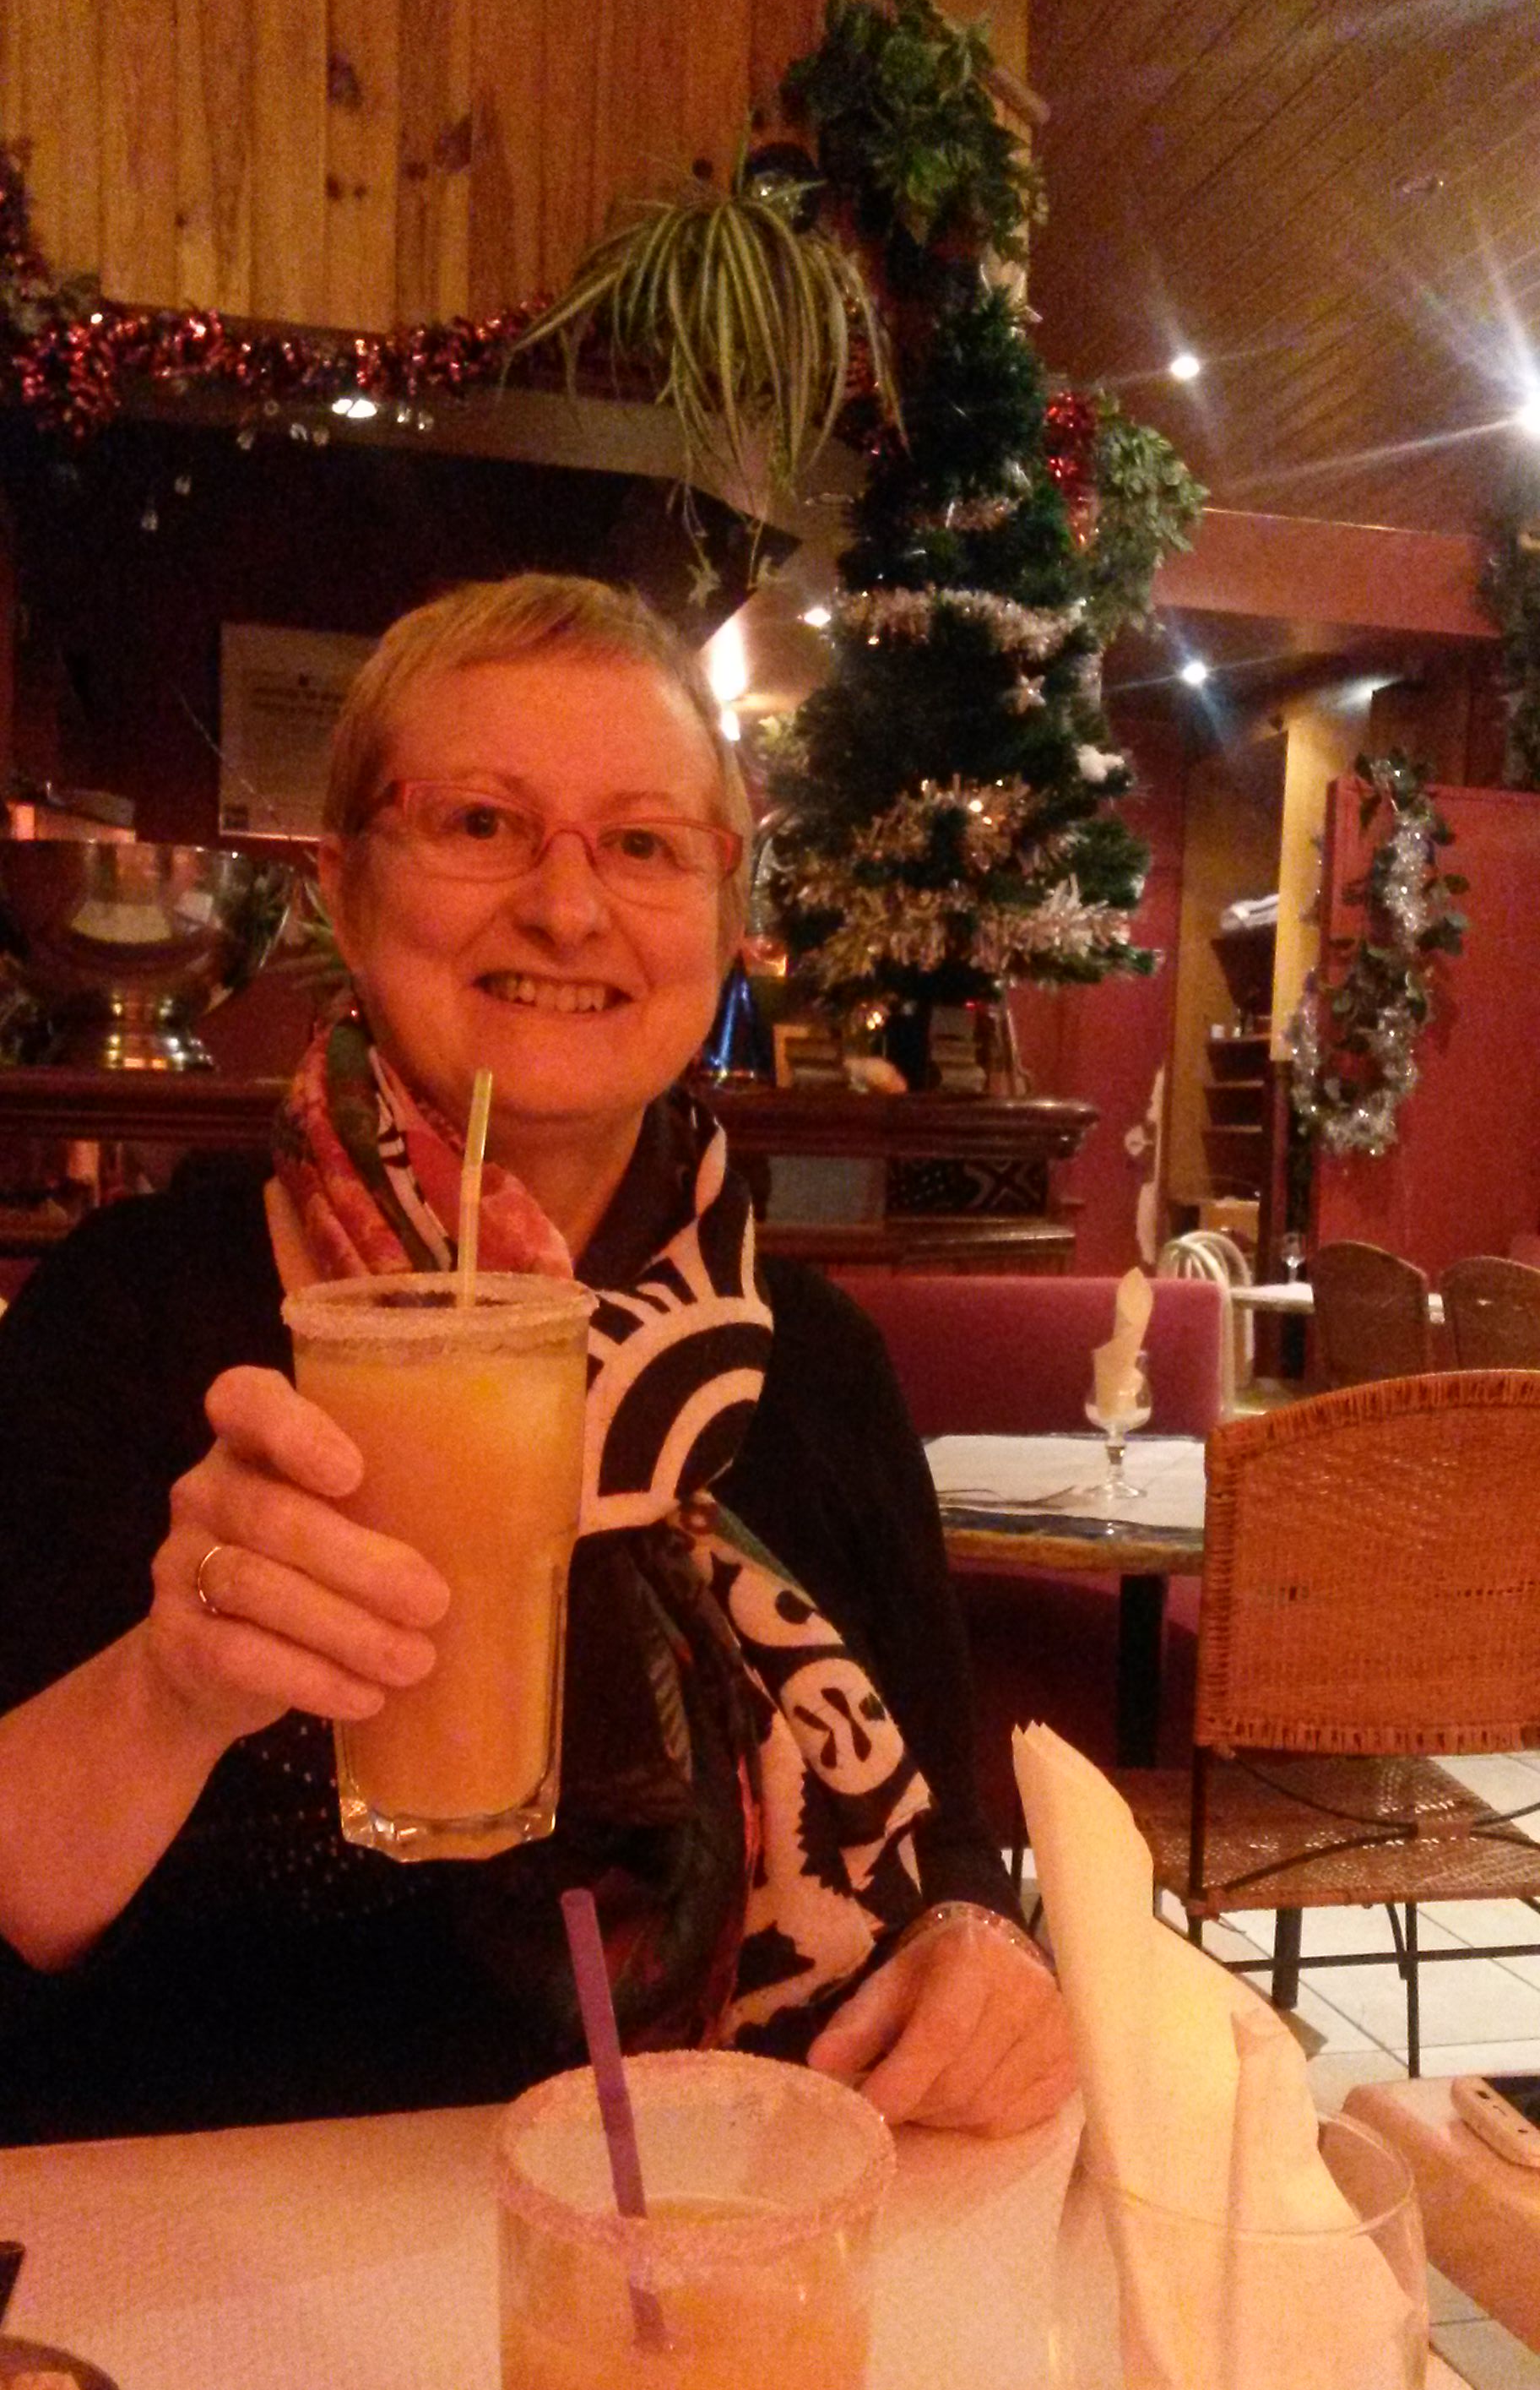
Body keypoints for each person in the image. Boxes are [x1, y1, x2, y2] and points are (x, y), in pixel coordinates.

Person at [0, 573, 1074, 2145]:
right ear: (342, 887)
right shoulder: (135, 1316)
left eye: (644, 845)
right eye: (482, 823)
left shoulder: (818, 1361)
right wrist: (168, 1691)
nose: (569, 909)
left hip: (730, 2210)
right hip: (241, 2244)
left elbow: (953, 1859)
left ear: (724, 916)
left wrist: (987, 1954)